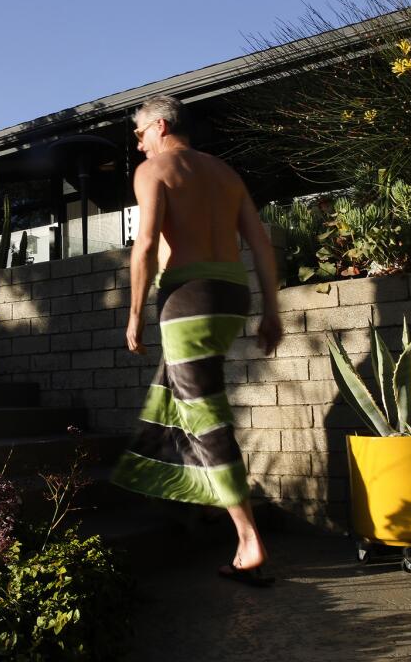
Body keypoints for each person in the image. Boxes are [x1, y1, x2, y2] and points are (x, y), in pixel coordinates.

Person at [111, 94, 283, 587]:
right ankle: (204, 498)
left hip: (187, 299)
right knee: (178, 394)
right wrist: (271, 309)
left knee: (204, 414)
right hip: (231, 294)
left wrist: (134, 316)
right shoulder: (225, 173)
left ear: (160, 126)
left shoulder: (155, 170)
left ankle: (248, 539)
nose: (139, 145)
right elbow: (261, 242)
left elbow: (144, 245)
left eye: (140, 135)